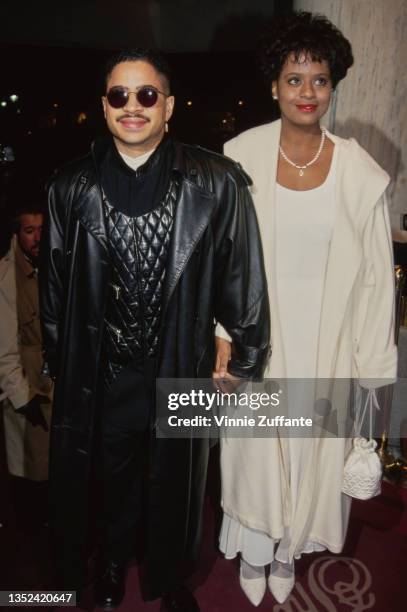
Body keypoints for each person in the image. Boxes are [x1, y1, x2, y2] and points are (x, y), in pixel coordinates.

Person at [39, 48, 270, 610]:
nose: (132, 107)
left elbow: (243, 275)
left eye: (147, 95)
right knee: (112, 483)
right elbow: (54, 292)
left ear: (168, 106)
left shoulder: (217, 182)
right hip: (105, 372)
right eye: (119, 95)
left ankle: (169, 579)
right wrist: (59, 366)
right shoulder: (70, 187)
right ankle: (114, 565)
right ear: (103, 106)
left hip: (180, 365)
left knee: (178, 487)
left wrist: (245, 357)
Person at [215, 11, 397, 605]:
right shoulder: (240, 155)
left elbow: (374, 280)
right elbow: (223, 257)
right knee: (254, 456)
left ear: (333, 85)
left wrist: (372, 367)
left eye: (319, 79)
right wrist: (222, 334)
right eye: (295, 79)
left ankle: (289, 548)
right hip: (258, 337)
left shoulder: (359, 174)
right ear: (274, 85)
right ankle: (255, 545)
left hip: (327, 340)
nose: (307, 92)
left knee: (309, 451)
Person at [0, 203, 53, 526]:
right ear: (17, 234)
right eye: (29, 230)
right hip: (25, 380)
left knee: (51, 463)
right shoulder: (6, 275)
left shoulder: (53, 264)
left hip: (52, 377)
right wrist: (22, 394)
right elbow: (4, 348)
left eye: (41, 230)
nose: (36, 238)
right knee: (28, 465)